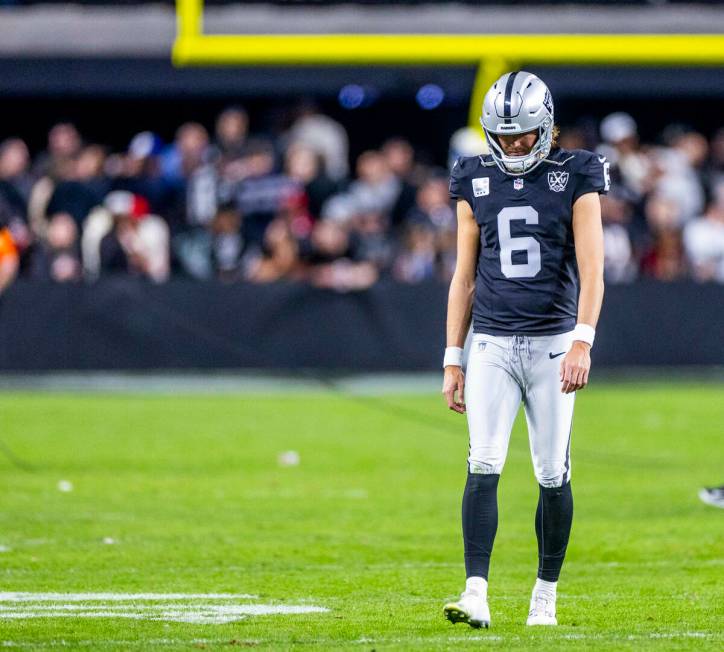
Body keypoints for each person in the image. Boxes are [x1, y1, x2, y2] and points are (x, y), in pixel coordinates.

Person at [441, 71, 608, 629]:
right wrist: (452, 356)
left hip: (554, 343)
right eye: (504, 136)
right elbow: (463, 277)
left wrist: (583, 340)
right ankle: (476, 592)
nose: (514, 145)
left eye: (524, 135)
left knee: (550, 471)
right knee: (482, 463)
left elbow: (593, 270)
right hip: (490, 340)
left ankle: (545, 595)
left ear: (546, 126)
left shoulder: (577, 173)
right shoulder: (472, 177)